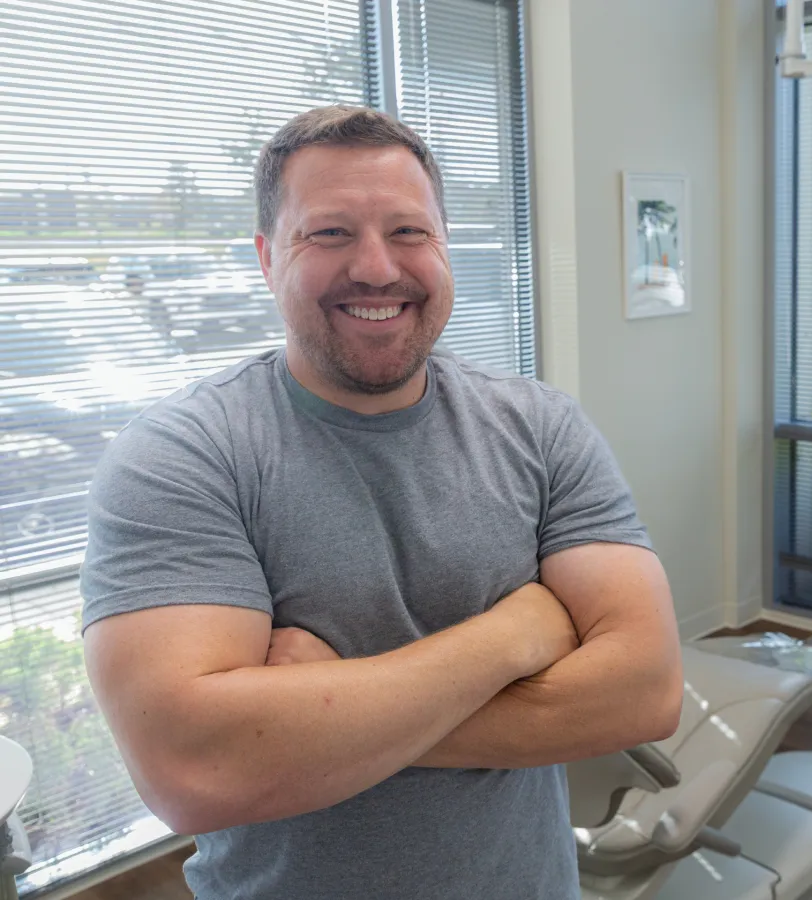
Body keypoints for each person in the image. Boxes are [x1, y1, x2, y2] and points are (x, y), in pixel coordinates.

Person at [81, 105, 683, 900]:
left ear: (444, 248)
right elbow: (195, 766)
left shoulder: (541, 427)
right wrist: (514, 634)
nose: (376, 267)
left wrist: (321, 715)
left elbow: (644, 692)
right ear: (267, 258)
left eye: (409, 232)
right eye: (329, 233)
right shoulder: (182, 457)